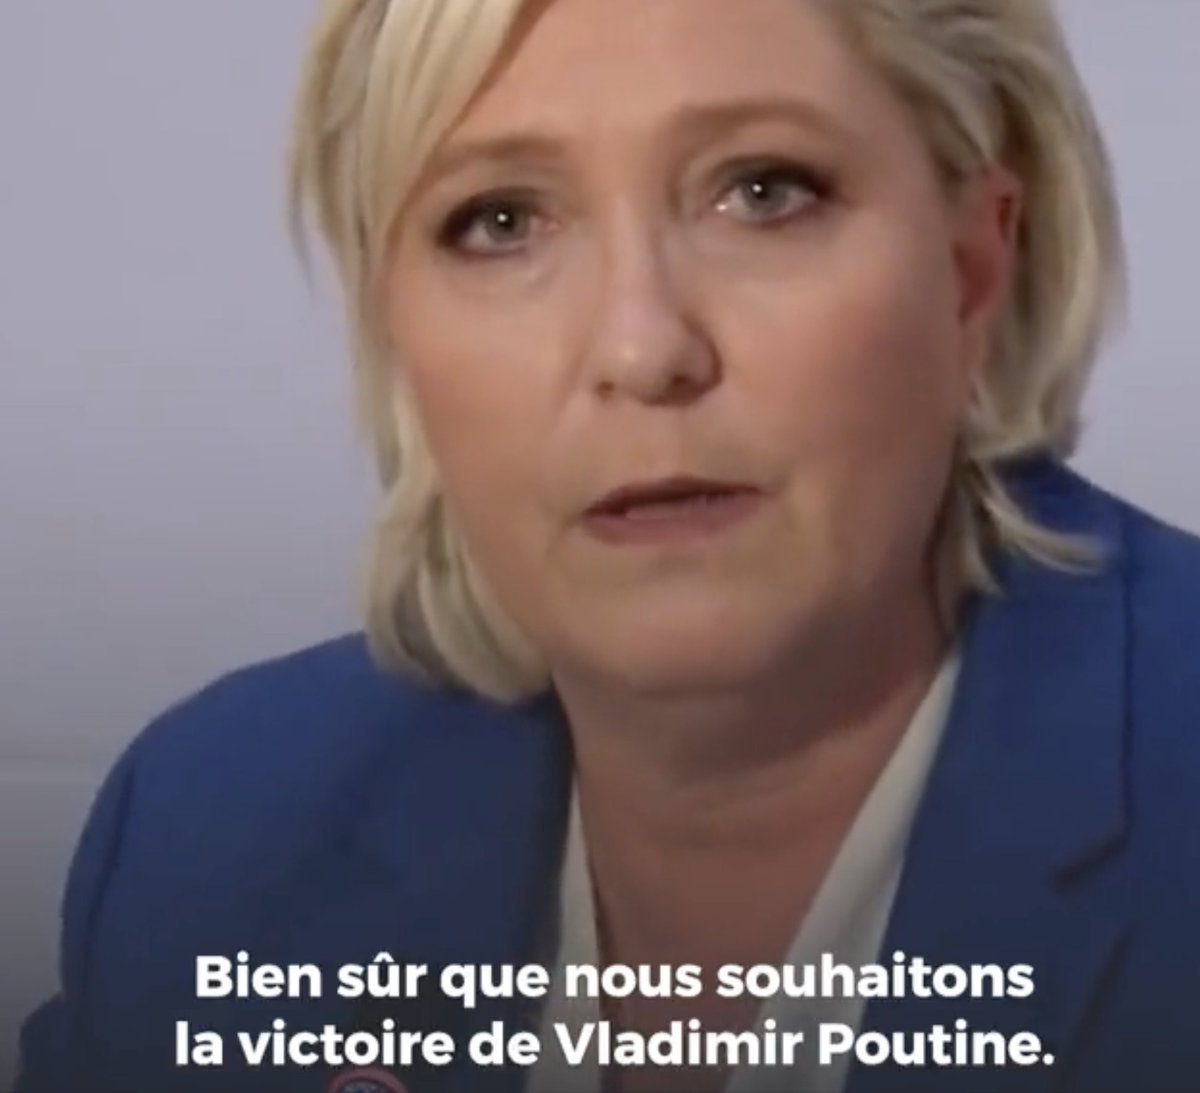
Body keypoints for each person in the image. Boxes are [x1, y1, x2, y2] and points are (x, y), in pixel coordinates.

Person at [14, 0, 1200, 1090]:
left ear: (973, 270)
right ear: (397, 330)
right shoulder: (212, 843)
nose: (641, 348)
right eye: (499, 221)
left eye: (764, 191)